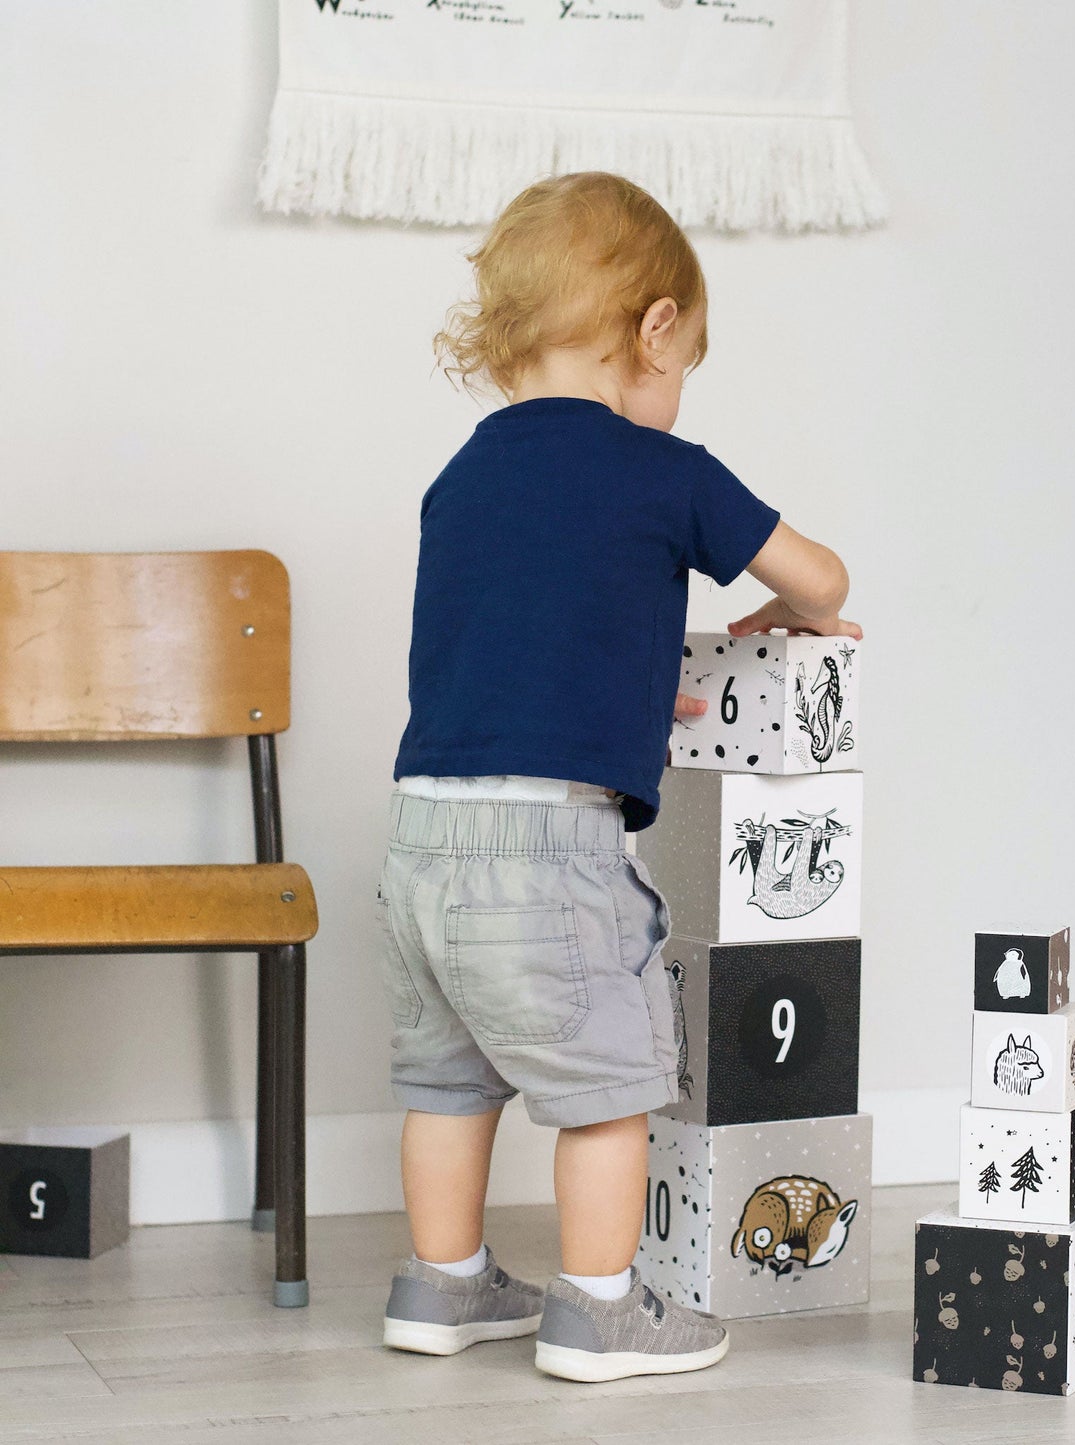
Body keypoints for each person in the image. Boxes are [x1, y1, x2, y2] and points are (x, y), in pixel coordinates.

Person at [375, 171, 862, 1383]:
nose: (677, 384)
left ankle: (439, 1284)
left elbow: (516, 643)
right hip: (551, 856)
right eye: (682, 360)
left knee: (447, 1080)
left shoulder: (462, 476)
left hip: (420, 837)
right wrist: (785, 607)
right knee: (606, 1085)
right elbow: (823, 578)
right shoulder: (665, 470)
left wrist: (633, 692)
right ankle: (599, 1307)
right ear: (653, 328)